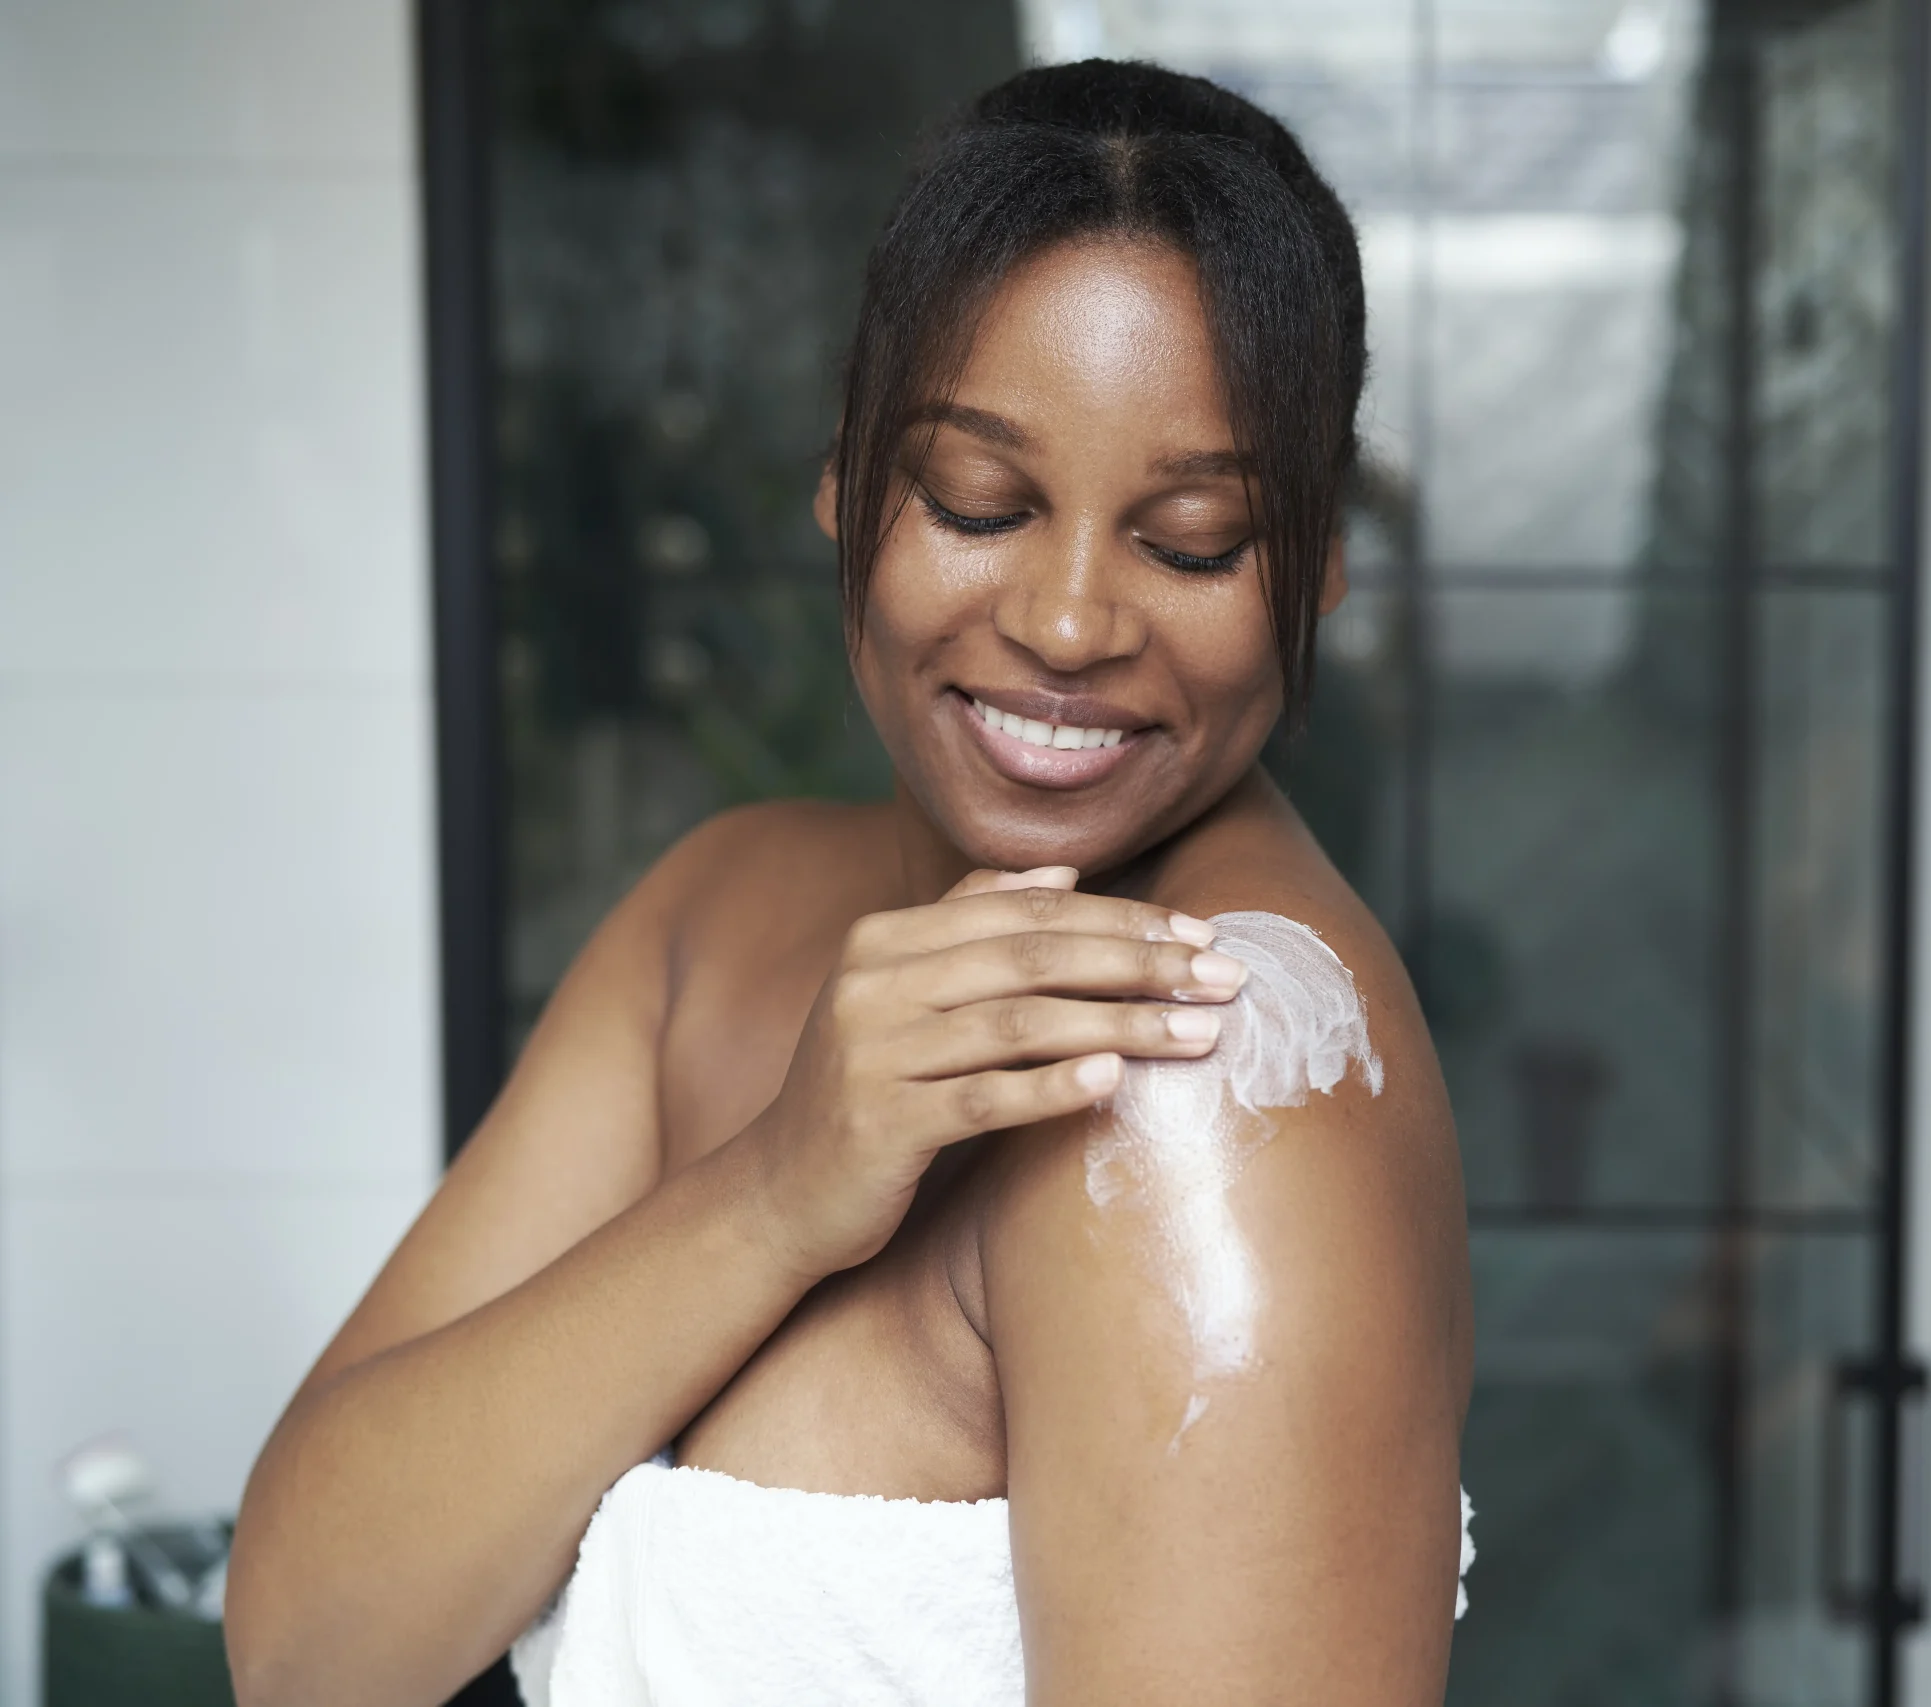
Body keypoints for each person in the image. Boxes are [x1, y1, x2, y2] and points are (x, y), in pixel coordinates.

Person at [225, 59, 1472, 1707]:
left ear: (1311, 571)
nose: (1073, 621)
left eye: (1189, 539)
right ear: (845, 483)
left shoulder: (1211, 1073)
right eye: (977, 501)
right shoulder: (714, 911)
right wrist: (772, 1192)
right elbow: (308, 1645)